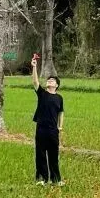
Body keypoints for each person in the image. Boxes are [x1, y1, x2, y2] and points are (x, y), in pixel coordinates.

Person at [31, 54, 64, 185]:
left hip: (53, 130)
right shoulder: (42, 94)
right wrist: (34, 67)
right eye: (48, 80)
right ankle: (42, 179)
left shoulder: (59, 98)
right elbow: (35, 82)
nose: (49, 81)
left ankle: (56, 180)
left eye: (52, 81)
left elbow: (61, 113)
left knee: (53, 155)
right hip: (41, 128)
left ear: (56, 85)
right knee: (40, 154)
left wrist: (60, 126)